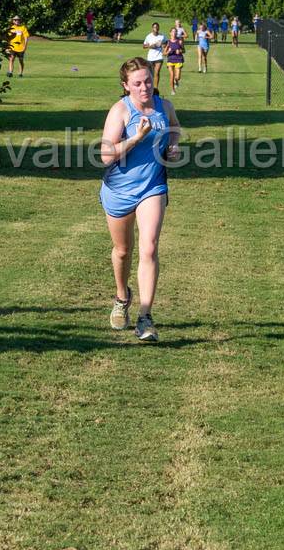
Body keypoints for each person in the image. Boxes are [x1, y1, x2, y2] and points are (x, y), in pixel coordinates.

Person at [100, 58, 180, 341]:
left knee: (149, 248)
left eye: (148, 81)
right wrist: (136, 138)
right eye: (137, 83)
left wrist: (173, 147)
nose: (145, 87)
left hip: (152, 187)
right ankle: (122, 297)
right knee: (123, 250)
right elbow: (106, 156)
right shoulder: (120, 111)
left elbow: (175, 128)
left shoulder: (164, 106)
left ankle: (145, 318)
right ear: (126, 86)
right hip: (118, 190)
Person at [142, 22, 167, 90]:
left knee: (157, 72)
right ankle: (151, 87)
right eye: (154, 27)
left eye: (157, 27)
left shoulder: (162, 36)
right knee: (151, 74)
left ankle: (155, 89)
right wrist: (151, 46)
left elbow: (166, 43)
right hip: (150, 57)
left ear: (159, 28)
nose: (156, 28)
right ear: (152, 28)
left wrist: (164, 46)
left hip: (159, 57)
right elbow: (144, 46)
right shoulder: (148, 36)